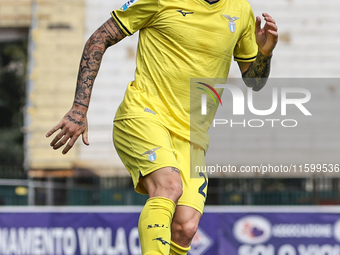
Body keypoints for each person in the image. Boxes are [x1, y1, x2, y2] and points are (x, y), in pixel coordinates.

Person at [46, 0, 278, 253]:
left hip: (192, 136)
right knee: (169, 186)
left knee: (186, 227)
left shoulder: (240, 10)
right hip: (144, 115)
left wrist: (265, 53)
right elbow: (99, 39)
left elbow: (254, 82)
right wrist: (80, 107)